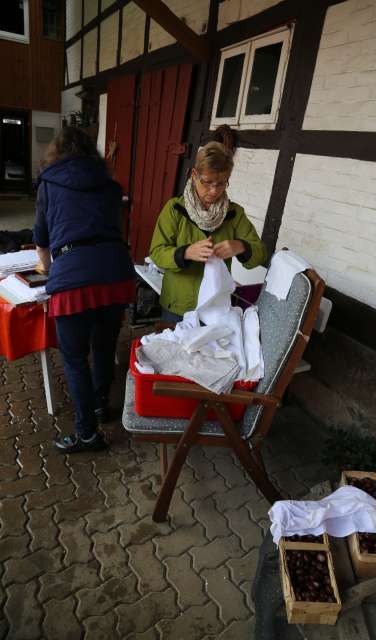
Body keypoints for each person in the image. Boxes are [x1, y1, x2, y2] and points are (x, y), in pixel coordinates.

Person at [33, 127, 136, 454]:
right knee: (104, 347)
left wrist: (50, 272)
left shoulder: (49, 184)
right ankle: (99, 407)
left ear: (56, 152)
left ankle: (87, 434)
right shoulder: (110, 187)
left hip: (73, 277)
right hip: (115, 273)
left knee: (76, 359)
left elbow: (42, 240)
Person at [150, 141, 267, 321]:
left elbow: (260, 254)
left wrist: (241, 246)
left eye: (221, 183)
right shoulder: (174, 209)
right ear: (195, 175)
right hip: (178, 305)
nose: (213, 191)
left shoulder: (234, 214)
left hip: (215, 306)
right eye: (207, 182)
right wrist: (186, 253)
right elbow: (157, 253)